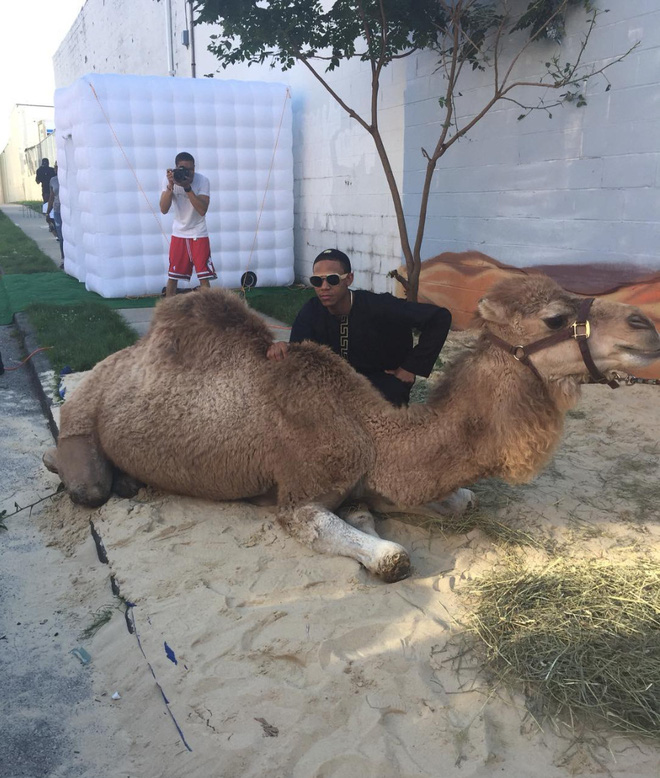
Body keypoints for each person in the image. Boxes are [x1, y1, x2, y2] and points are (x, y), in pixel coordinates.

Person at [267, 248, 452, 406]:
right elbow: (299, 351)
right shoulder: (311, 311)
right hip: (333, 385)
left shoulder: (379, 305)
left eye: (332, 279)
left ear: (349, 279)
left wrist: (410, 368)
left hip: (379, 381)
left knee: (391, 400)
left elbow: (440, 318)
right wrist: (284, 348)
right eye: (317, 281)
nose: (324, 287)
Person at [159, 151, 216, 297]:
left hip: (199, 232)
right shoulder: (169, 180)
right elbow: (163, 209)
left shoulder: (202, 181)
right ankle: (169, 309)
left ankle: (208, 309)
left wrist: (187, 188)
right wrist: (170, 186)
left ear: (195, 168)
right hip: (179, 233)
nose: (188, 173)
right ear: (176, 168)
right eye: (183, 169)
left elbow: (202, 210)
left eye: (191, 169)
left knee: (204, 276)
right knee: (173, 276)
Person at [47, 162, 64, 266]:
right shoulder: (53, 180)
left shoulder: (66, 178)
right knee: (61, 236)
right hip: (57, 210)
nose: (57, 169)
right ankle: (63, 259)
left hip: (67, 210)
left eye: (58, 167)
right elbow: (51, 196)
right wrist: (48, 212)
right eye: (56, 167)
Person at [35, 158, 56, 233]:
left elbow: (37, 181)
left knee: (47, 210)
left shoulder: (39, 170)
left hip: (46, 192)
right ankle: (54, 223)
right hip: (53, 191)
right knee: (54, 208)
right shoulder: (52, 170)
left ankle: (51, 223)